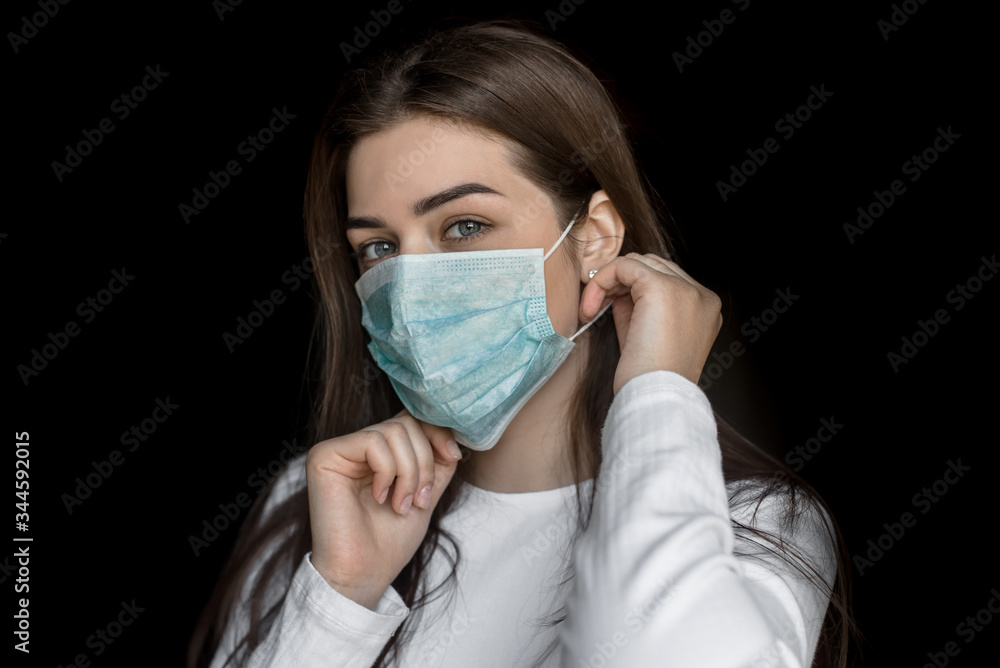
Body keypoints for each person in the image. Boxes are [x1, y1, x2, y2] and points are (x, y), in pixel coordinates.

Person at [188, 19, 856, 668]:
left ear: (594, 236)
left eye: (465, 226)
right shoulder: (319, 498)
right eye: (380, 247)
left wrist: (657, 389)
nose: (412, 283)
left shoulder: (759, 520)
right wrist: (339, 598)